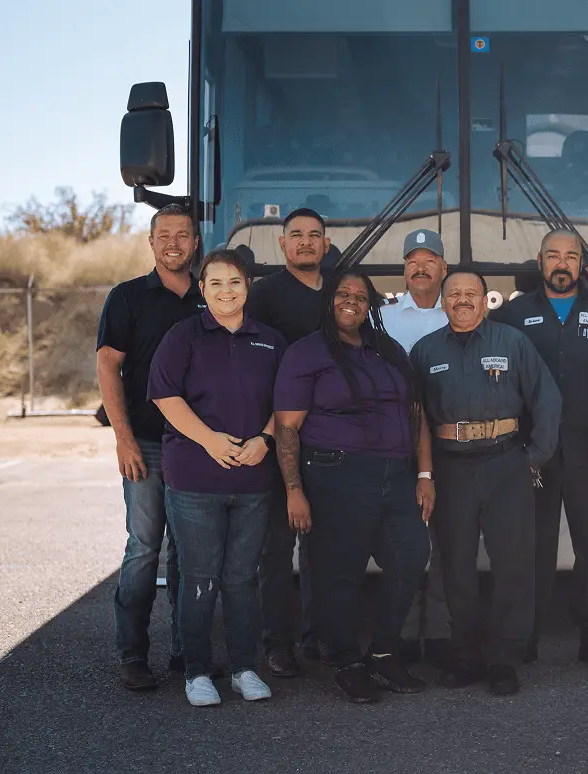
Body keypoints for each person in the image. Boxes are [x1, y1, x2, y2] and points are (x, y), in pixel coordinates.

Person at [273, 271, 432, 704]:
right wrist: (294, 490)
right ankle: (345, 660)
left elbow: (416, 413)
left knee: (410, 555)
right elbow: (287, 427)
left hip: (395, 475)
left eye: (361, 297)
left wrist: (424, 473)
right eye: (343, 294)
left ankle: (382, 652)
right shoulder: (306, 354)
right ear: (329, 302)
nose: (352, 302)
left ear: (370, 306)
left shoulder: (389, 350)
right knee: (340, 571)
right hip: (335, 473)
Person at [409, 269, 562, 696]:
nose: (462, 300)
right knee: (455, 565)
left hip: (505, 463)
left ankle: (503, 659)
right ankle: (464, 655)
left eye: (470, 293)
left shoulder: (512, 343)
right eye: (453, 293)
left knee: (513, 564)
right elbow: (413, 415)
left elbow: (547, 399)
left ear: (485, 300)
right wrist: (423, 472)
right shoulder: (424, 351)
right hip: (450, 468)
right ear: (443, 302)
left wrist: (534, 457)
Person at [147, 248, 287, 707]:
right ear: (202, 290)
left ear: (248, 287)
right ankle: (197, 672)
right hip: (195, 480)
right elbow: (166, 397)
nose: (226, 291)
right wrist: (209, 440)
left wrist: (265, 440)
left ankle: (245, 668)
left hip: (252, 481)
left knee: (243, 578)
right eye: (216, 283)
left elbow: (284, 404)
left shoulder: (270, 339)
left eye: (235, 282)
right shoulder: (183, 335)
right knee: (200, 577)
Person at [492, 228, 588, 671]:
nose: (562, 263)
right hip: (533, 453)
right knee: (533, 549)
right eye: (553, 255)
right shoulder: (515, 315)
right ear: (540, 261)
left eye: (571, 255)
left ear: (581, 263)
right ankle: (524, 637)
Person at [96, 203, 207, 691]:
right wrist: (123, 439)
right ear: (151, 241)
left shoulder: (213, 295)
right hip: (146, 442)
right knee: (145, 549)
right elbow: (107, 367)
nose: (174, 244)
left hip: (200, 446)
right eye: (164, 235)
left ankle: (186, 652)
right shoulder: (127, 299)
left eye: (183, 235)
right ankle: (133, 656)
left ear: (195, 243)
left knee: (190, 552)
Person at [244, 207, 330, 676]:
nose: (305, 242)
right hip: (279, 435)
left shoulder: (341, 291)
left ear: (326, 243)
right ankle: (277, 643)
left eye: (313, 236)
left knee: (321, 546)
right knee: (277, 548)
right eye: (295, 235)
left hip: (331, 440)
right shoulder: (265, 295)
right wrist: (265, 431)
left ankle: (317, 636)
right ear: (282, 245)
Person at [379, 228, 451, 669]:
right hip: (399, 446)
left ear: (443, 268)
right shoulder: (384, 319)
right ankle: (401, 631)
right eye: (412, 261)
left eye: (429, 260)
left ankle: (441, 632)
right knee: (403, 543)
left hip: (453, 444)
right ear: (404, 270)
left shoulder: (462, 312)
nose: (420, 267)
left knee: (447, 542)